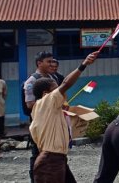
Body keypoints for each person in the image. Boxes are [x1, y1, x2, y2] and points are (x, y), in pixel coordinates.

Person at [30, 51, 98, 183]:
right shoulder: (46, 101)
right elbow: (66, 84)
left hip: (56, 159)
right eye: (55, 90)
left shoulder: (44, 108)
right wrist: (83, 65)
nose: (61, 93)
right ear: (45, 94)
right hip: (50, 161)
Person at [23, 50, 58, 183]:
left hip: (52, 122)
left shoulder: (52, 78)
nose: (51, 64)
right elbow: (30, 104)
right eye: (48, 61)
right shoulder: (32, 81)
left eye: (52, 61)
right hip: (39, 124)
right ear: (39, 63)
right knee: (37, 153)